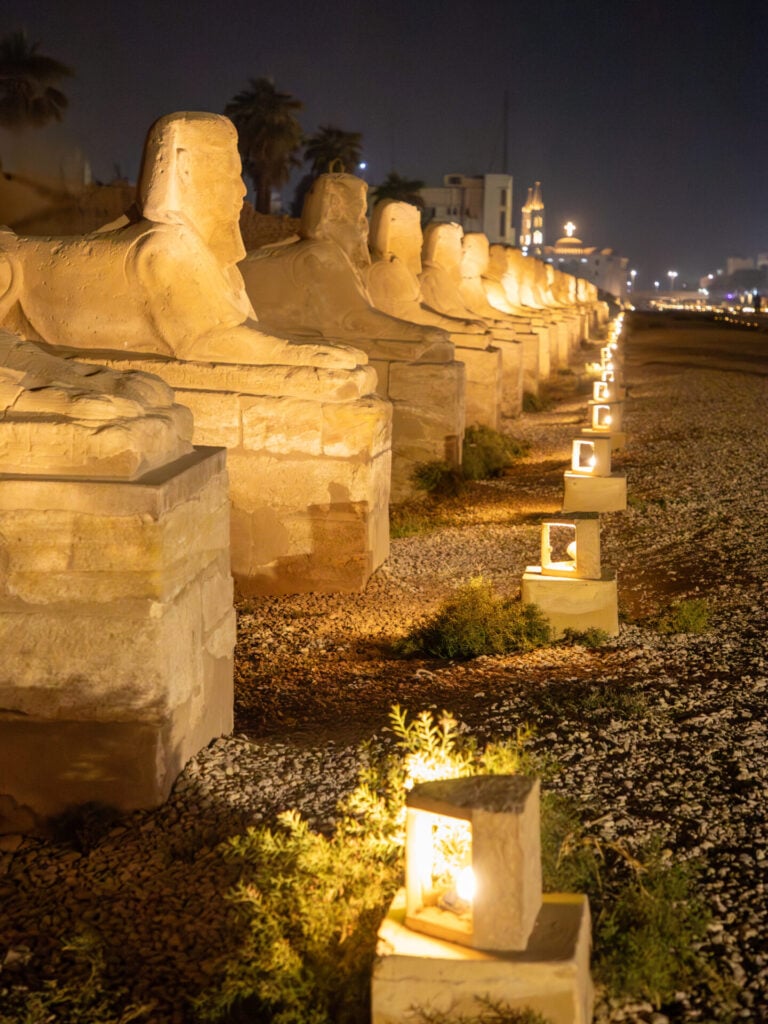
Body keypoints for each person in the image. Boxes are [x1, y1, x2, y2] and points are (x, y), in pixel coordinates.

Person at [0, 112, 359, 369]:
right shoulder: (164, 248)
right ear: (185, 168)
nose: (241, 189)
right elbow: (202, 341)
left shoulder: (209, 259)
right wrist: (295, 355)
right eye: (231, 172)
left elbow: (246, 329)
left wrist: (299, 348)